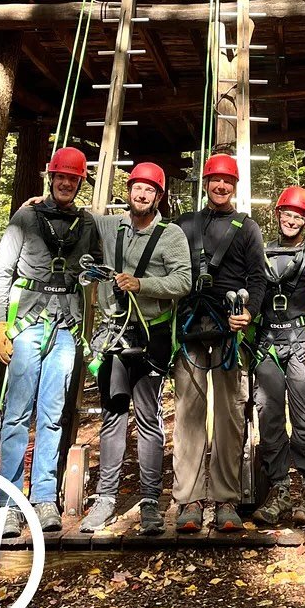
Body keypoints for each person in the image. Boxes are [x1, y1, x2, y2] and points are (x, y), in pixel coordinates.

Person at [74, 162, 192, 535]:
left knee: (148, 416)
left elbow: (183, 281)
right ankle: (105, 498)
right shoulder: (111, 226)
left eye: (149, 190)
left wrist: (143, 284)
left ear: (159, 196)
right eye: (136, 189)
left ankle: (150, 500)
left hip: (151, 335)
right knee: (113, 415)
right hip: (113, 335)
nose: (141, 195)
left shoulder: (170, 235)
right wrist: (37, 203)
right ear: (129, 193)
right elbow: (76, 219)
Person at [0, 147, 101, 537]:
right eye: (61, 177)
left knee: (52, 414)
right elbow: (2, 271)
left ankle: (42, 498)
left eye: (72, 179)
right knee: (17, 413)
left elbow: (105, 260)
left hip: (66, 328)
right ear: (50, 179)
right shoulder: (25, 217)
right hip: (26, 325)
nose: (66, 183)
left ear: (79, 183)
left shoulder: (88, 224)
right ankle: (8, 504)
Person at [173, 152, 267, 532]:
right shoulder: (184, 224)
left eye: (227, 181)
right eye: (215, 180)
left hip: (230, 330)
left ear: (235, 186)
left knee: (230, 415)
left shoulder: (247, 228)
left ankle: (226, 499)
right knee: (188, 415)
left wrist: (250, 314)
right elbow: (141, 237)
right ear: (206, 182)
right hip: (191, 327)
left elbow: (258, 277)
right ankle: (189, 500)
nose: (221, 186)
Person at [252, 186, 305, 528]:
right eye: (287, 213)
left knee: (304, 416)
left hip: (301, 341)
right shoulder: (261, 251)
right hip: (267, 340)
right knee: (268, 414)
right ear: (278, 214)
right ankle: (281, 489)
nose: (291, 220)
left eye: (298, 216)